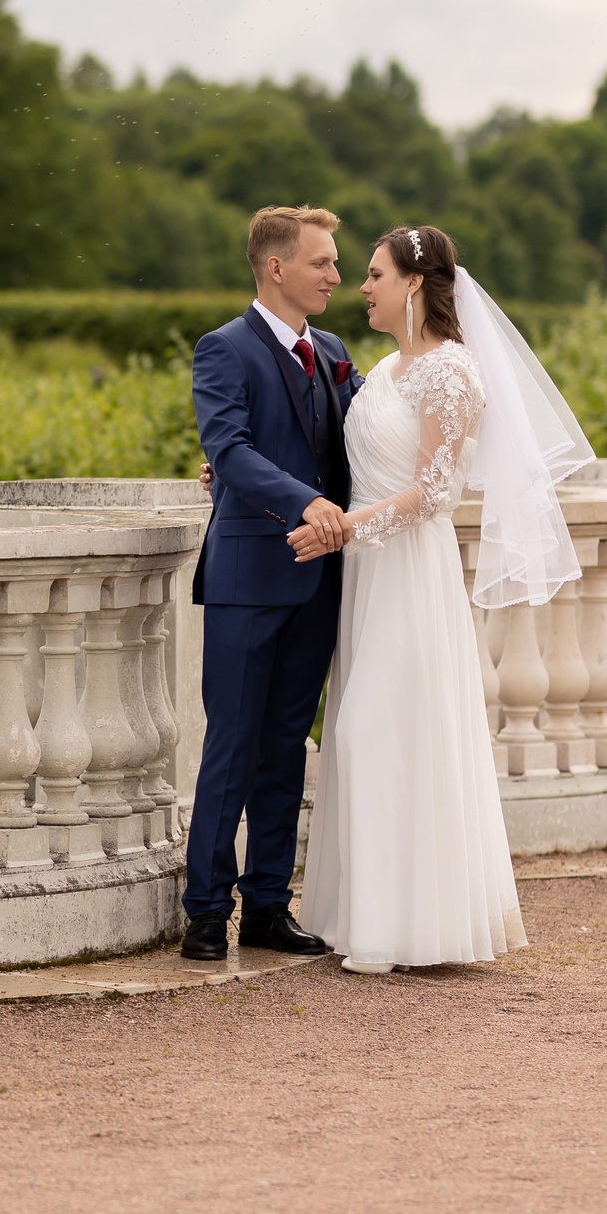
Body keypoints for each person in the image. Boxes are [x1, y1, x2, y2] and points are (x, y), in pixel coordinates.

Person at [298, 224, 592, 973]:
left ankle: (412, 924)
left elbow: (433, 493)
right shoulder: (384, 367)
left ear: (415, 283)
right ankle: (361, 916)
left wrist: (344, 531)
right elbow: (350, 460)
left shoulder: (453, 373)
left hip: (408, 571)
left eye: (373, 274)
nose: (361, 286)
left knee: (378, 731)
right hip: (367, 574)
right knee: (361, 737)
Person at [179, 206, 360, 963]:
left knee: (286, 745)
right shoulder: (222, 349)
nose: (336, 275)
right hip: (249, 577)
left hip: (319, 582)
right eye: (322, 261)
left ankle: (265, 907)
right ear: (277, 267)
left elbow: (355, 447)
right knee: (233, 743)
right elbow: (230, 447)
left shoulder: (335, 350)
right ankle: (205, 912)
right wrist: (305, 502)